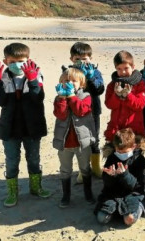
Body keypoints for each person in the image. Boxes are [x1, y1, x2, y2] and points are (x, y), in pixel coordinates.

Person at [0, 42, 51, 207]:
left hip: (32, 127)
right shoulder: (2, 77)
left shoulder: (37, 75)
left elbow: (38, 98)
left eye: (21, 60)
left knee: (33, 159)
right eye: (12, 61)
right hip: (9, 128)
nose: (17, 64)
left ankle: (36, 187)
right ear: (5, 61)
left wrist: (32, 81)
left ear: (28, 60)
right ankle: (12, 191)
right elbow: (0, 101)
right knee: (11, 161)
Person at [53, 67, 96, 208]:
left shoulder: (86, 96)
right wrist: (62, 98)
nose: (69, 83)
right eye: (66, 80)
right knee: (65, 170)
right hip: (65, 143)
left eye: (74, 81)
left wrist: (71, 96)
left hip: (82, 143)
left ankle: (88, 193)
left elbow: (81, 110)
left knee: (85, 168)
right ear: (61, 82)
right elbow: (61, 114)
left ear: (81, 84)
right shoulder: (59, 98)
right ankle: (66, 196)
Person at [67, 42, 105, 182]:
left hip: (93, 110)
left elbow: (99, 90)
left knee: (94, 138)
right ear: (71, 59)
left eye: (85, 58)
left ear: (90, 58)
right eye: (77, 59)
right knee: (81, 141)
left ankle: (96, 166)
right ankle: (83, 170)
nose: (81, 62)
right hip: (76, 112)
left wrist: (91, 77)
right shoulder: (69, 72)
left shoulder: (95, 72)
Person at [94, 128, 145, 226]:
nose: (121, 154)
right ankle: (118, 210)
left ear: (133, 146)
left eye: (124, 152)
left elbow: (137, 186)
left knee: (129, 220)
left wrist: (125, 174)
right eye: (118, 151)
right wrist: (110, 176)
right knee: (101, 219)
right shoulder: (111, 158)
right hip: (113, 194)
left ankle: (141, 205)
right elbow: (107, 185)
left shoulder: (140, 160)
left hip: (132, 194)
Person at [104, 50, 145, 154]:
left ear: (133, 67)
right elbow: (109, 104)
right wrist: (116, 95)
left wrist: (128, 95)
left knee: (134, 156)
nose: (122, 72)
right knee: (115, 155)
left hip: (133, 128)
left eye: (126, 68)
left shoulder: (139, 84)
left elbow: (140, 105)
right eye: (119, 69)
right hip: (116, 128)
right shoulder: (111, 85)